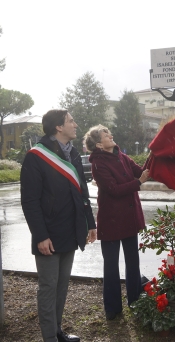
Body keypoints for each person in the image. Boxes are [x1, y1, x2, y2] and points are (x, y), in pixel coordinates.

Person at [21, 109, 97, 342]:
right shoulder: (35, 156)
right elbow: (30, 201)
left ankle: (57, 331)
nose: (75, 124)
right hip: (48, 235)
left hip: (70, 231)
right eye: (71, 121)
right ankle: (49, 338)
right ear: (58, 127)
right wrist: (40, 236)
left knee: (62, 286)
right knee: (48, 287)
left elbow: (83, 192)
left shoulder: (72, 153)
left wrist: (90, 224)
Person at [83, 125, 150, 321]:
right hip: (111, 220)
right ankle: (112, 308)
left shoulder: (122, 156)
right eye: (106, 134)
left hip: (129, 217)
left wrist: (154, 153)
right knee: (111, 265)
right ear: (98, 144)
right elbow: (114, 189)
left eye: (109, 133)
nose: (111, 135)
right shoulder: (98, 163)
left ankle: (135, 302)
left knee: (133, 262)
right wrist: (139, 183)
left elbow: (141, 171)